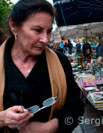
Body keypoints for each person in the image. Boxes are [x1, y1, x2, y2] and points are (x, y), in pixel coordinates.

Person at [0, 0, 84, 133]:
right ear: (13, 25)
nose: (45, 39)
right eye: (37, 30)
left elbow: (76, 108)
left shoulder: (60, 62)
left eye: (49, 31)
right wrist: (2, 119)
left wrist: (50, 127)